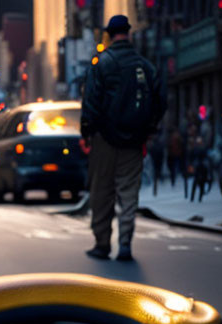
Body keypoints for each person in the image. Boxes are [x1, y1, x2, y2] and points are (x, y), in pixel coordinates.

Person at [81, 15, 165, 261]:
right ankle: (125, 243)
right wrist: (148, 130)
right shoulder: (145, 66)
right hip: (135, 141)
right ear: (128, 33)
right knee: (129, 193)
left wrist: (87, 132)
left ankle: (102, 244)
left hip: (104, 139)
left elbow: (91, 102)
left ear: (109, 34)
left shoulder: (101, 64)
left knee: (102, 192)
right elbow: (161, 102)